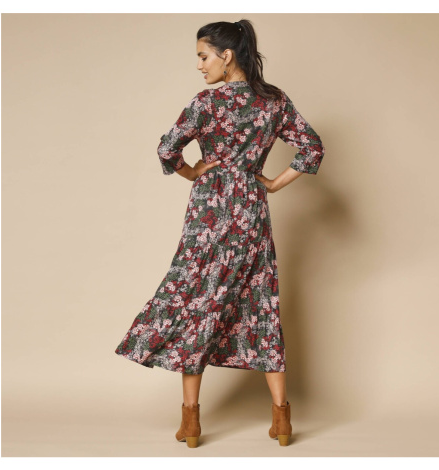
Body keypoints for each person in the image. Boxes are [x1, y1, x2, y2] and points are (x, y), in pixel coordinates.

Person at [114, 18, 325, 448]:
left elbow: (167, 148)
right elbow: (312, 146)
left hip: (209, 214)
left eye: (203, 56)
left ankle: (191, 421)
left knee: (199, 303)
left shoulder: (206, 103)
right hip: (251, 212)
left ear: (226, 56)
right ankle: (282, 419)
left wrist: (193, 172)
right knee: (261, 304)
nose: (199, 65)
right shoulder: (274, 101)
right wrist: (271, 183)